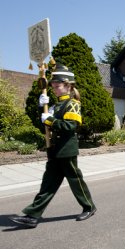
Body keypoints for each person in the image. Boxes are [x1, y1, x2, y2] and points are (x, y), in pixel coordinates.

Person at [10, 63, 97, 228]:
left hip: (66, 150)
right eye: (53, 86)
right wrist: (40, 107)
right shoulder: (55, 105)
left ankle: (89, 206)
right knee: (48, 184)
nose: (54, 89)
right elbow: (42, 125)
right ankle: (32, 215)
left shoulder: (73, 104)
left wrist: (50, 119)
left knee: (75, 181)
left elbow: (70, 127)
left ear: (68, 86)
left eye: (57, 86)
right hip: (54, 150)